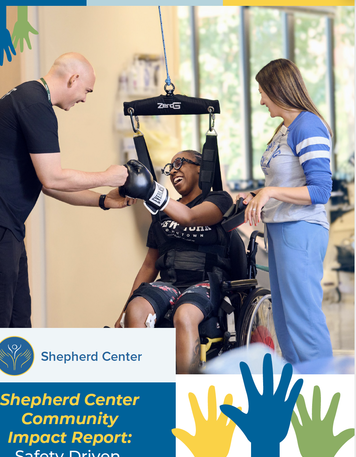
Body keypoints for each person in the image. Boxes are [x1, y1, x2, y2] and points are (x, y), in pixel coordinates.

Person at [0, 52, 132, 328]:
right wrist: (109, 176)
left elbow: (48, 183)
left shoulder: (30, 99)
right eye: (86, 90)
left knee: (18, 320)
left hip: (2, 223)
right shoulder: (35, 104)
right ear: (73, 79)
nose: (85, 98)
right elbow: (53, 178)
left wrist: (103, 201)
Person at [238, 58, 333, 364]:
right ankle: (299, 395)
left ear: (278, 89)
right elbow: (284, 181)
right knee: (285, 319)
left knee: (303, 319)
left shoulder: (308, 125)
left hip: (301, 228)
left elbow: (320, 191)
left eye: (263, 91)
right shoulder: (286, 128)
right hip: (279, 228)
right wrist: (254, 195)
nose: (261, 99)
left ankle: (329, 394)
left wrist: (270, 192)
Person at [115, 151, 233, 374]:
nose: (174, 170)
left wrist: (152, 192)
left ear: (200, 167)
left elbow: (191, 217)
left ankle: (186, 390)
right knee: (137, 310)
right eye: (170, 168)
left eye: (180, 163)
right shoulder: (161, 215)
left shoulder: (219, 199)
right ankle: (142, 386)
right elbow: (150, 265)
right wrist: (124, 310)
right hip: (169, 283)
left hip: (205, 282)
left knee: (185, 314)